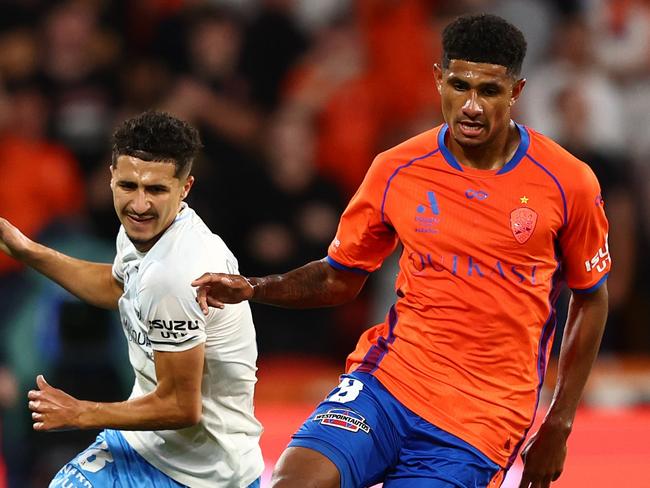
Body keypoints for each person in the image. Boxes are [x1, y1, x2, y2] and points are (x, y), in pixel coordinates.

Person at [192, 14, 610, 488]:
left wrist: (559, 421)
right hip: (388, 383)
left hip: (482, 417)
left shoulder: (568, 181)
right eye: (459, 85)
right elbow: (338, 277)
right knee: (292, 482)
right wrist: (254, 287)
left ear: (515, 92)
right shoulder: (397, 168)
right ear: (438, 79)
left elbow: (591, 297)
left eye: (489, 91)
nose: (471, 106)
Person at [0, 111, 263, 487]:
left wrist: (79, 413)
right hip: (147, 447)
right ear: (110, 177)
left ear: (184, 187)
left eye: (156, 190)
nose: (139, 204)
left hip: (201, 475)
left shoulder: (177, 273)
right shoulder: (145, 233)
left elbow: (180, 406)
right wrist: (27, 250)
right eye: (128, 186)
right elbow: (120, 288)